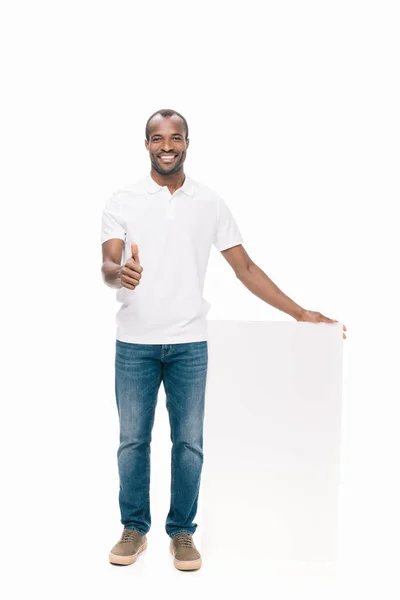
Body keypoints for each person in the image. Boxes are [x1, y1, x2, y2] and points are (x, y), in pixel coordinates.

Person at [100, 108, 347, 571]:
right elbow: (108, 266)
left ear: (187, 143)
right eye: (157, 138)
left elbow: (245, 269)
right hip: (134, 344)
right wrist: (121, 274)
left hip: (190, 344)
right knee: (132, 441)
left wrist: (300, 312)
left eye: (175, 137)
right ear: (147, 144)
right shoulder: (122, 200)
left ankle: (182, 532)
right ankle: (134, 528)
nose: (166, 145)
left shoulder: (209, 203)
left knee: (188, 443)